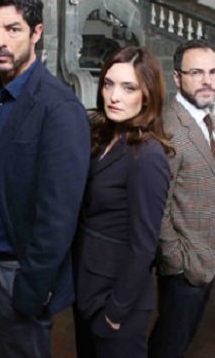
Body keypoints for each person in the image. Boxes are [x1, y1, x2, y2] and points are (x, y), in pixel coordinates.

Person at [0, 0, 90, 358]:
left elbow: (59, 215)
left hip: (16, 274)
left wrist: (33, 287)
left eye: (13, 29)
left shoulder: (58, 108)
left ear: (36, 33)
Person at [74, 46, 171, 358]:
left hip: (117, 302)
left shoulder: (148, 155)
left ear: (147, 96)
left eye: (128, 88)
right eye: (108, 84)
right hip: (88, 290)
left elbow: (144, 245)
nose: (114, 96)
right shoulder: (105, 137)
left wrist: (115, 313)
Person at [148, 39, 215, 358]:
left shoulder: (206, 119)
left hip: (208, 257)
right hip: (185, 266)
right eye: (196, 72)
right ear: (177, 77)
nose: (207, 80)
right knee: (168, 345)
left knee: (181, 340)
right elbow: (157, 205)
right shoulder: (170, 127)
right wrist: (176, 259)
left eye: (213, 72)